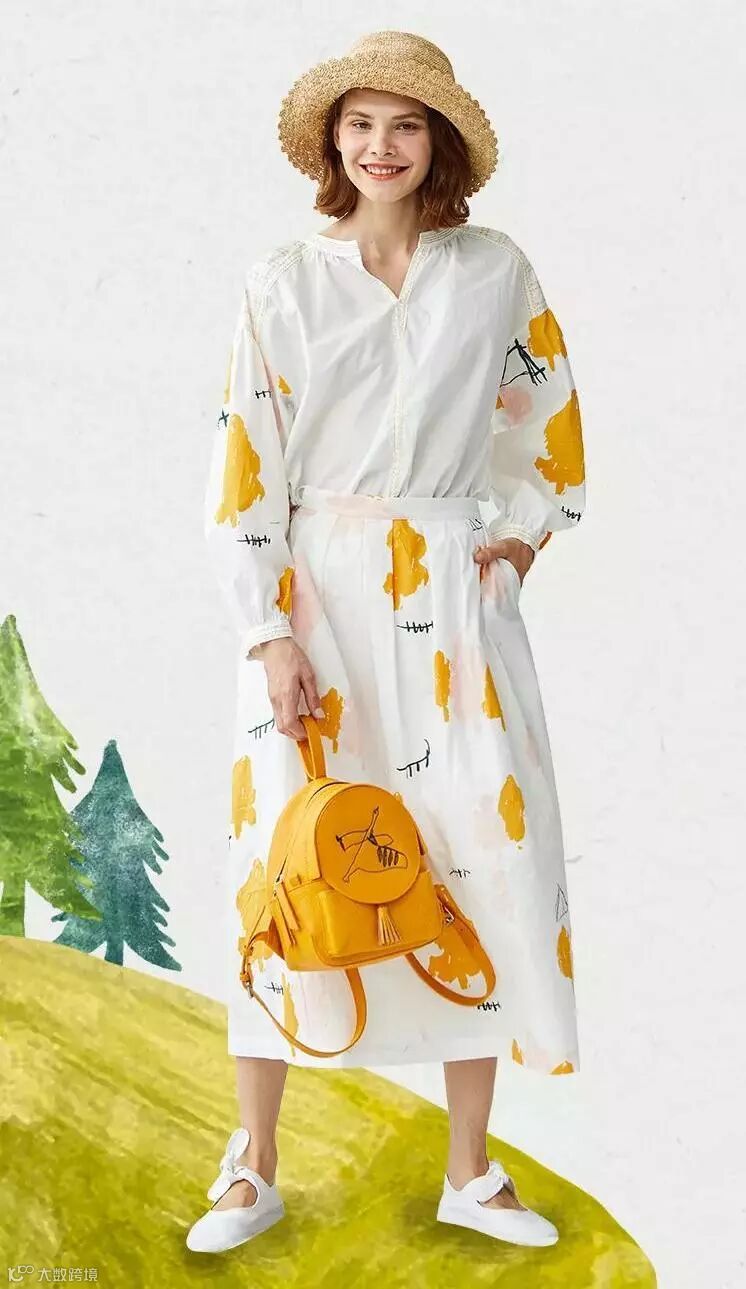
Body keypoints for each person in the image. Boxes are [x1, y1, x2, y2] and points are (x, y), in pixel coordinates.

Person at [188, 29, 586, 1256]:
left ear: (439, 144)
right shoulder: (282, 284)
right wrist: (267, 631)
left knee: (474, 845)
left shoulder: (493, 271)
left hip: (453, 608)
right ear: (330, 143)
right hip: (318, 602)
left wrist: (515, 547)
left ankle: (470, 1168)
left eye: (405, 125)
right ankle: (253, 1163)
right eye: (359, 124)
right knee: (292, 852)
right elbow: (243, 464)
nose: (381, 145)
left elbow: (546, 423)